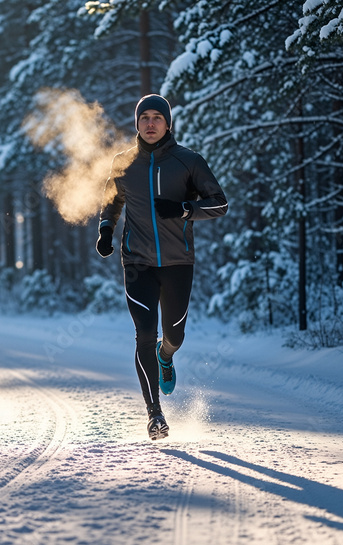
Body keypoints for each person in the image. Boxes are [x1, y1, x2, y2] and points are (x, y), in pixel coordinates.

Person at [96, 94, 228, 440]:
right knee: (143, 333)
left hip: (177, 262)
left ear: (168, 123)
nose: (151, 123)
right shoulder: (122, 163)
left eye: (158, 117)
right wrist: (106, 231)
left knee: (174, 336)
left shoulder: (188, 161)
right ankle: (155, 414)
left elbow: (220, 203)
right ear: (137, 123)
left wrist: (185, 208)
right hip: (137, 263)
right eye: (145, 118)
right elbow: (111, 202)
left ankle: (166, 354)